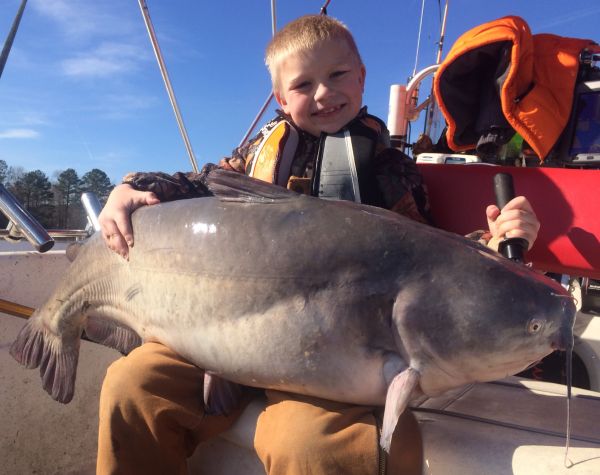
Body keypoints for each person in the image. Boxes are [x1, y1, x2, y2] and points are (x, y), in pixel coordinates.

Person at [96, 14, 540, 475]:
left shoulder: (391, 172)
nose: (323, 93)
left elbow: (428, 263)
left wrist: (493, 241)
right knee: (133, 386)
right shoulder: (250, 159)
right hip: (226, 336)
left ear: (363, 78)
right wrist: (128, 187)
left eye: (337, 75)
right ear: (282, 99)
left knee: (312, 444)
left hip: (327, 356)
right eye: (304, 84)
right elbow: (191, 186)